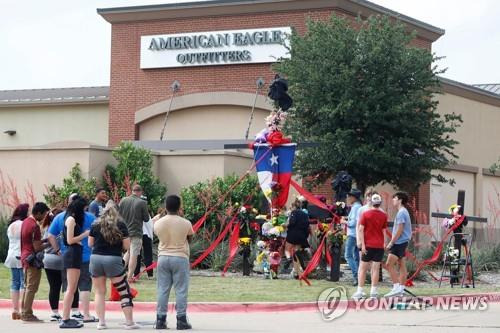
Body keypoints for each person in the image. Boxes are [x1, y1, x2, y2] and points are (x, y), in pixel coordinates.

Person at [89, 200, 139, 330]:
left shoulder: (95, 224)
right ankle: (129, 322)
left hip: (96, 258)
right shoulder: (121, 225)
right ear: (118, 211)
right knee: (123, 291)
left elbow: (90, 244)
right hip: (113, 259)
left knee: (99, 292)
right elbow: (127, 245)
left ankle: (101, 322)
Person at [48, 193, 96, 322]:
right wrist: (85, 235)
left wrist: (58, 249)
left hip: (69, 254)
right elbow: (70, 240)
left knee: (69, 286)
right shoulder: (82, 218)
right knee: (83, 285)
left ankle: (71, 314)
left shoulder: (61, 217)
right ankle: (76, 315)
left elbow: (51, 235)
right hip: (81, 255)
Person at [154, 195, 193, 330]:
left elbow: (157, 236)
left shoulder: (158, 223)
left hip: (163, 256)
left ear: (166, 206)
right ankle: (181, 319)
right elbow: (190, 238)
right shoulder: (186, 223)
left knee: (162, 289)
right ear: (179, 207)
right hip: (180, 257)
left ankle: (160, 319)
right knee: (181, 290)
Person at [60, 198, 89, 329]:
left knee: (72, 288)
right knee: (71, 289)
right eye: (84, 209)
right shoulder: (71, 220)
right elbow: (70, 240)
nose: (85, 211)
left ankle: (67, 317)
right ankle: (65, 318)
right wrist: (84, 235)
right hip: (72, 254)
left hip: (75, 254)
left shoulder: (70, 218)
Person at [352, 194, 388, 300]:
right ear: (380, 203)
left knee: (362, 269)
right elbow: (384, 230)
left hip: (368, 245)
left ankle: (360, 291)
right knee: (375, 269)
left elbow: (360, 229)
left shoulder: (366, 214)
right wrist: (384, 243)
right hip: (379, 245)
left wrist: (362, 245)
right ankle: (373, 292)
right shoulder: (384, 215)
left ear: (371, 202)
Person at [20, 202, 50, 322]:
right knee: (32, 288)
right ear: (38, 213)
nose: (44, 218)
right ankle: (27, 314)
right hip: (32, 259)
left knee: (28, 287)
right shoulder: (35, 226)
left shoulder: (26, 222)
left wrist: (44, 240)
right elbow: (37, 247)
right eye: (43, 215)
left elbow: (30, 241)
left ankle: (24, 311)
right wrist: (49, 243)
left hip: (25, 257)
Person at [119, 184, 150, 282]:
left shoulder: (123, 200)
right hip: (136, 232)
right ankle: (129, 278)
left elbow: (119, 215)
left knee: (128, 252)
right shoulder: (142, 202)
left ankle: (120, 273)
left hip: (124, 232)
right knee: (134, 255)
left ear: (132, 191)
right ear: (140, 192)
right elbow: (146, 219)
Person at [384, 192, 412, 297]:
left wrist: (391, 243)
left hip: (399, 242)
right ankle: (401, 289)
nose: (393, 200)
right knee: (402, 265)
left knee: (388, 264)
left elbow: (399, 229)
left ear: (400, 200)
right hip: (403, 242)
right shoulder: (404, 211)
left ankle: (396, 288)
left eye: (394, 198)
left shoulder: (401, 213)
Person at [4, 203, 29, 320]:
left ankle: (15, 309)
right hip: (21, 255)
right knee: (24, 282)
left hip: (11, 255)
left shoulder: (11, 225)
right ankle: (23, 309)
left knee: (14, 282)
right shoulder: (24, 224)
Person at [42, 208, 65, 321]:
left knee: (54, 287)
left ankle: (54, 312)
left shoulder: (46, 228)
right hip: (60, 259)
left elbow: (44, 243)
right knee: (68, 287)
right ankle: (70, 311)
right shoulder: (62, 228)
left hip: (48, 259)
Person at [283, 198, 310, 274]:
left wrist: (285, 225)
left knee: (287, 249)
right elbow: (307, 225)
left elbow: (292, 222)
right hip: (302, 235)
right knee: (296, 251)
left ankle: (288, 259)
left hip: (293, 234)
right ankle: (298, 270)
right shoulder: (305, 214)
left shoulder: (293, 213)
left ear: (294, 207)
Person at [342, 189, 362, 286]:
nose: (348, 198)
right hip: (357, 235)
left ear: (354, 197)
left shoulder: (355, 208)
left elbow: (353, 223)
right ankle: (359, 276)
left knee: (348, 255)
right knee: (356, 256)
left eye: (349, 196)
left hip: (353, 234)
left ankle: (356, 276)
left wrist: (344, 222)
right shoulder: (358, 207)